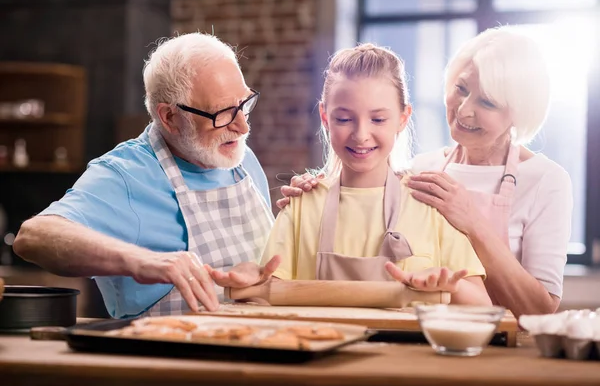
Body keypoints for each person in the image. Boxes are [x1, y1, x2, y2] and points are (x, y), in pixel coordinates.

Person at [278, 26, 573, 317]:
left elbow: (541, 309)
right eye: (461, 88)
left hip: (511, 346)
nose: (464, 110)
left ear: (519, 112)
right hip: (440, 333)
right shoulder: (422, 169)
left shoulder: (546, 180)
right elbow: (362, 183)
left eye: (487, 102)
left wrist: (472, 222)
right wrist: (313, 189)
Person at [12, 33, 275, 318]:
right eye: (222, 114)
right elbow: (32, 238)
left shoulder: (240, 159)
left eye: (244, 104)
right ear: (169, 118)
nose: (243, 127)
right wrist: (141, 261)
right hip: (169, 358)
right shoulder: (126, 174)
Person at [207, 43, 492, 306]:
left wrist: (445, 284)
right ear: (325, 117)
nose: (361, 135)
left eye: (378, 119)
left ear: (403, 118)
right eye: (344, 119)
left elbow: (482, 305)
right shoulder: (302, 206)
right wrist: (247, 286)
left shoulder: (430, 205)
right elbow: (266, 302)